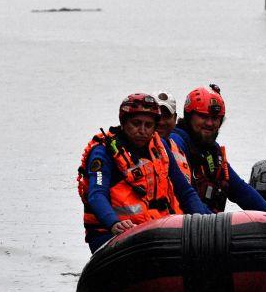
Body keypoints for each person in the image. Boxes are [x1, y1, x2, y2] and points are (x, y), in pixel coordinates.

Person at [78, 93, 211, 252]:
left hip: (156, 230)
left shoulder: (160, 147)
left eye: (148, 125)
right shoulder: (104, 152)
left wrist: (209, 223)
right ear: (123, 122)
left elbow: (185, 191)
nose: (142, 130)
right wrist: (113, 223)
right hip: (111, 234)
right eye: (136, 123)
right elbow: (96, 194)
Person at [169, 84, 266, 213]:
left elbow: (241, 191)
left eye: (215, 118)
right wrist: (218, 225)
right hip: (184, 225)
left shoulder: (212, 152)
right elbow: (186, 196)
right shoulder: (176, 143)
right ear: (189, 117)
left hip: (208, 225)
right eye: (203, 116)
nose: (209, 123)